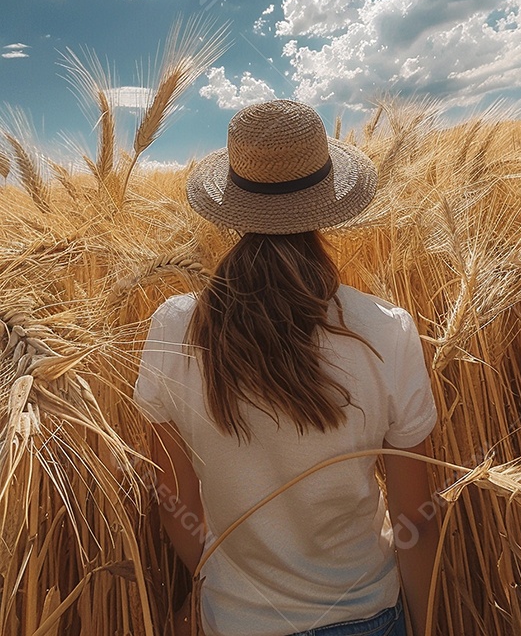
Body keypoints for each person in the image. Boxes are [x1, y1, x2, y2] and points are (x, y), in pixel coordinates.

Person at [133, 100, 438, 636]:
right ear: (328, 205)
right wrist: (427, 621)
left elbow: (172, 503)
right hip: (367, 615)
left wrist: (228, 586)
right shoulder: (388, 330)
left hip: (235, 621)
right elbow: (415, 522)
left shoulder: (172, 328)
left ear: (232, 207)